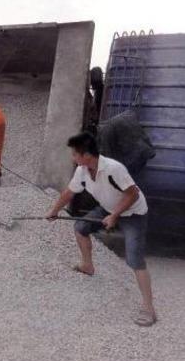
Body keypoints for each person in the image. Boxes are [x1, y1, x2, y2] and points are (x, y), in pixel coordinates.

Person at [47, 130, 158, 328]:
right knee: (80, 227)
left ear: (86, 155)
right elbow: (69, 192)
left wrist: (114, 215)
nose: (72, 157)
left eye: (75, 154)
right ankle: (87, 266)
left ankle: (149, 309)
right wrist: (54, 211)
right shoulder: (82, 171)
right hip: (107, 209)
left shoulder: (114, 169)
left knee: (134, 260)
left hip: (133, 214)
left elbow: (133, 194)